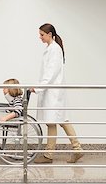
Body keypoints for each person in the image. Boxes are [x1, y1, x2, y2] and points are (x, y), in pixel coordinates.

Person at [30, 23, 83, 164]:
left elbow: (51, 73)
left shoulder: (54, 49)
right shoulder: (51, 49)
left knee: (60, 120)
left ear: (49, 34)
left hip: (53, 92)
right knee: (53, 121)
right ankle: (50, 154)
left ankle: (76, 149)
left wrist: (39, 87)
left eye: (42, 34)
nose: (40, 37)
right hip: (51, 91)